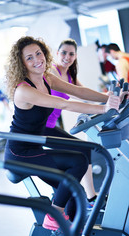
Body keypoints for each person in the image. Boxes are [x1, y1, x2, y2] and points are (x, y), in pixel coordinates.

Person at [4, 36, 120, 231]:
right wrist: (103, 109)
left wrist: (109, 99)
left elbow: (76, 91)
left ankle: (76, 231)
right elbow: (63, 103)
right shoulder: (23, 90)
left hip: (35, 146)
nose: (37, 60)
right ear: (21, 63)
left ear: (45, 54)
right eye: (29, 58)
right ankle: (53, 215)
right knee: (78, 161)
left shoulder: (46, 78)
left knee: (76, 191)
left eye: (39, 53)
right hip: (19, 153)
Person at [44, 39, 97, 212]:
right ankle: (90, 197)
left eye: (71, 54)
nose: (67, 57)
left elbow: (84, 95)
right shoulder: (52, 71)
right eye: (64, 53)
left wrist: (111, 97)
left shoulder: (70, 76)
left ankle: (91, 196)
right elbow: (72, 97)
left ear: (75, 56)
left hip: (51, 126)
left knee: (85, 148)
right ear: (57, 54)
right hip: (42, 128)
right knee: (82, 150)